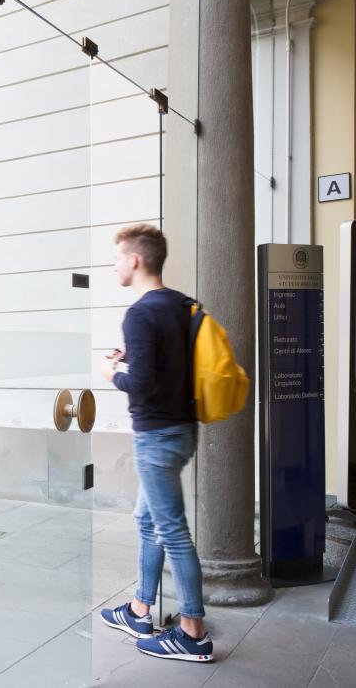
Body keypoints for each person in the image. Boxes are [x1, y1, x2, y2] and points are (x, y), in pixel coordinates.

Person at [98, 223, 214, 662]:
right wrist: (132, 354)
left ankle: (192, 634)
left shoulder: (141, 312)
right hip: (182, 430)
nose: (113, 266)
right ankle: (140, 610)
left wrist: (113, 374)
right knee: (147, 520)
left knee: (173, 534)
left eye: (116, 259)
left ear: (134, 260)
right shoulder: (181, 306)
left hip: (156, 437)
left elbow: (142, 384)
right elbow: (173, 364)